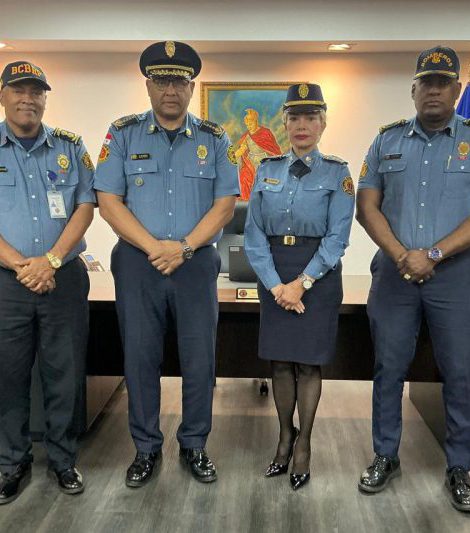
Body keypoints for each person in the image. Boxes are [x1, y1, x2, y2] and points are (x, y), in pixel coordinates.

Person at [94, 41, 239, 487]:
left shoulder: (215, 138)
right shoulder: (122, 134)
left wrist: (184, 248)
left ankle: (194, 444)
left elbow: (225, 205)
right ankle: (146, 448)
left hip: (195, 263)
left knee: (200, 358)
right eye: (161, 81)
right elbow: (108, 201)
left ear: (191, 87)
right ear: (148, 86)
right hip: (138, 263)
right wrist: (155, 247)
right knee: (140, 357)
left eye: (179, 81)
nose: (170, 90)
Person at [356, 46, 470, 512]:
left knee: (461, 372)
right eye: (427, 83)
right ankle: (385, 455)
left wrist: (434, 254)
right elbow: (367, 206)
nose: (434, 91)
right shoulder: (386, 140)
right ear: (414, 90)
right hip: (394, 274)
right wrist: (402, 255)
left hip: (456, 276)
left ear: (457, 90)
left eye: (443, 83)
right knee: (388, 368)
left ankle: (461, 465)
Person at [244, 83, 355, 490]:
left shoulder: (338, 173)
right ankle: (284, 436)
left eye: (311, 117)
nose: (302, 125)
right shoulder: (267, 169)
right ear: (285, 123)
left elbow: (338, 237)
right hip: (275, 272)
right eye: (295, 117)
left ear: (323, 123)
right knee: (279, 363)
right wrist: (277, 286)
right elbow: (254, 234)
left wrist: (302, 284)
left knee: (308, 364)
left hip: (317, 276)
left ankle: (304, 443)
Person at [0, 61, 95, 504]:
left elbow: (85, 206)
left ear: (45, 98)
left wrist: (51, 261)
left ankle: (62, 458)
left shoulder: (70, 147)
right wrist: (23, 266)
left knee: (64, 374)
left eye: (36, 91)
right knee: (8, 374)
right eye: (19, 90)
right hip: (7, 282)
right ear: (3, 96)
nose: (28, 99)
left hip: (64, 278)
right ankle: (11, 462)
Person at [235, 108, 282, 200]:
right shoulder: (247, 136)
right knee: (243, 177)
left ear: (255, 121)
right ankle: (246, 201)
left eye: (250, 124)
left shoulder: (265, 133)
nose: (249, 126)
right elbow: (242, 150)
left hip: (263, 160)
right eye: (247, 125)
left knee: (265, 179)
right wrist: (236, 155)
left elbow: (274, 150)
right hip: (250, 160)